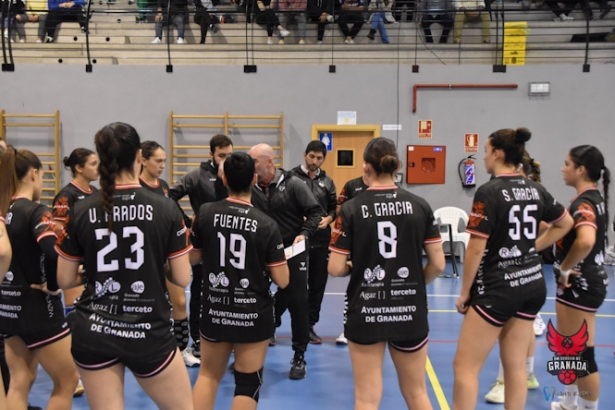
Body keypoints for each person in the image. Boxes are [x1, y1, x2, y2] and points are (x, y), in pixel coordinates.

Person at [55, 122, 193, 410]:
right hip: (148, 330)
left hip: (94, 329)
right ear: (139, 155)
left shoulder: (81, 209)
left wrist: (95, 270)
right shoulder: (165, 207)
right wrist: (153, 266)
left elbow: (65, 280)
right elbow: (182, 277)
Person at [452, 128, 574, 410]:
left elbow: (475, 247)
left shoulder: (489, 191)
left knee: (465, 367)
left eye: (485, 150)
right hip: (531, 283)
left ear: (497, 153)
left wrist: (464, 292)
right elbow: (566, 224)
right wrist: (533, 246)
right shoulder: (535, 188)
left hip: (498, 287)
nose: (483, 157)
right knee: (516, 366)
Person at [328, 137, 445, 410]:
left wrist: (352, 266)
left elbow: (334, 267)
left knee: (367, 398)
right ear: (398, 166)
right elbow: (438, 264)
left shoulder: (352, 208)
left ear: (365, 167)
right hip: (409, 308)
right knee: (417, 394)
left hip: (367, 308)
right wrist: (415, 284)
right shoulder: (420, 205)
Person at [190, 152, 290, 410]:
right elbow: (282, 280)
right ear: (255, 179)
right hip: (252, 314)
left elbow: (192, 258)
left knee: (208, 376)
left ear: (223, 178)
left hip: (215, 308)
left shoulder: (205, 213)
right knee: (248, 383)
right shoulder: (266, 225)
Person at [0, 146, 80, 410]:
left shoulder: (4, 212)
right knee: (67, 379)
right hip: (38, 309)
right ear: (33, 174)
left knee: (20, 380)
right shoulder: (35, 211)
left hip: (8, 306)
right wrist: (55, 286)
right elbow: (54, 252)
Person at [248, 143, 321, 380]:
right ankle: (248, 356)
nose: (251, 166)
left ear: (269, 162)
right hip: (260, 253)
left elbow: (315, 212)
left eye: (255, 161)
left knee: (298, 300)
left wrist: (305, 233)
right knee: (253, 300)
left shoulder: (293, 184)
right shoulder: (250, 187)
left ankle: (299, 355)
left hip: (293, 251)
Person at [549, 145, 610, 410]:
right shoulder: (594, 198)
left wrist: (565, 268)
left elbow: (586, 241)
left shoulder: (584, 203)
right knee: (569, 349)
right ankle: (568, 402)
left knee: (582, 353)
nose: (563, 168)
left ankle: (587, 407)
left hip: (580, 285)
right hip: (585, 284)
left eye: (567, 163)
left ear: (581, 169)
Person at [483, 150, 546, 404]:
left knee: (508, 332)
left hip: (509, 272)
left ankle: (503, 381)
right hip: (530, 271)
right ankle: (528, 373)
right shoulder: (534, 190)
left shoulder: (502, 190)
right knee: (525, 325)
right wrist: (532, 246)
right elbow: (553, 223)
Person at [169, 134, 233, 360]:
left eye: (229, 155)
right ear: (212, 155)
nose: (225, 160)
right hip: (203, 242)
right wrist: (186, 221)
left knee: (229, 289)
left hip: (231, 243)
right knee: (200, 290)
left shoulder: (234, 174)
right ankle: (197, 338)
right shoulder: (197, 176)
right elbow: (169, 196)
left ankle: (226, 334)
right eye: (221, 155)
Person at [139, 140, 200, 368]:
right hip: (145, 259)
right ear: (143, 160)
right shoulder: (135, 186)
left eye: (164, 160)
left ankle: (181, 349)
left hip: (168, 255)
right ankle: (149, 351)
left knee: (180, 302)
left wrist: (186, 226)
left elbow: (172, 215)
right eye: (158, 161)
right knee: (153, 306)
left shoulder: (164, 186)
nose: (162, 165)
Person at [290, 141, 337, 345]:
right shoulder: (291, 177)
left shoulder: (327, 182)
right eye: (311, 157)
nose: (314, 162)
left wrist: (329, 219)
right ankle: (273, 325)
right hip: (296, 239)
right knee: (291, 285)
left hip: (320, 241)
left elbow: (335, 207)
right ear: (304, 155)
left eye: (319, 158)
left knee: (317, 285)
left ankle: (309, 326)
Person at [52, 148, 99, 315]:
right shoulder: (67, 195)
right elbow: (59, 229)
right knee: (76, 313)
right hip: (76, 262)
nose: (98, 168)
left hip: (94, 261)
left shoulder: (97, 193)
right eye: (93, 164)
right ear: (79, 168)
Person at [333, 173, 369, 345]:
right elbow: (339, 209)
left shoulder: (394, 192)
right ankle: (348, 329)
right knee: (355, 289)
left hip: (381, 251)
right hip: (357, 245)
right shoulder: (352, 185)